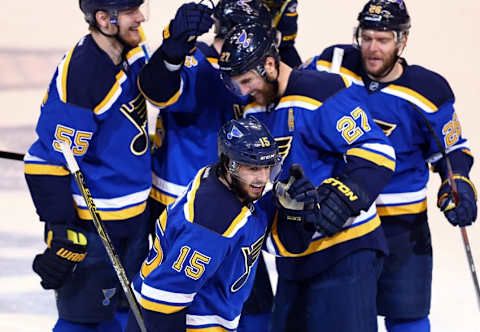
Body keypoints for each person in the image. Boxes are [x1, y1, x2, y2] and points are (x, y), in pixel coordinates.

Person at [301, 0, 477, 331]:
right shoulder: (332, 64)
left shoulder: (428, 91)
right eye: (366, 38)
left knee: (407, 315)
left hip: (402, 225)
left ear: (403, 40)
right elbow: (294, 92)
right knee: (342, 318)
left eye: (382, 40)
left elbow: (453, 150)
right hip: (345, 219)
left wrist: (459, 185)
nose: (372, 48)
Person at [219, 23, 397, 332]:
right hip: (294, 261)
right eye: (237, 86)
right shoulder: (253, 114)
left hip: (346, 252)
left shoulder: (319, 91)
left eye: (247, 81)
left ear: (271, 64)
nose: (245, 92)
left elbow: (377, 150)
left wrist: (343, 195)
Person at [138, 3, 277, 330]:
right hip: (192, 208)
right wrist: (172, 50)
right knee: (180, 296)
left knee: (242, 294)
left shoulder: (263, 67)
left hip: (243, 202)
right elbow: (157, 87)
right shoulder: (198, 61)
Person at [24, 1, 151, 331]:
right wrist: (61, 229)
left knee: (128, 311)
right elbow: (46, 161)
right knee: (83, 321)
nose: (140, 17)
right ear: (104, 19)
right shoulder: (83, 76)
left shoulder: (129, 49)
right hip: (96, 227)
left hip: (136, 217)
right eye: (131, 12)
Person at [125, 116, 316, 332]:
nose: (262, 178)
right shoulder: (212, 222)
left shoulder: (230, 188)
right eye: (252, 168)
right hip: (183, 323)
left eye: (266, 167)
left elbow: (284, 245)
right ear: (228, 164)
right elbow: (163, 295)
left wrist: (294, 215)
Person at [261, 0, 302, 67]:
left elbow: (287, 38)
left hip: (280, 46)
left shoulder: (288, 3)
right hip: (253, 46)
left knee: (298, 71)